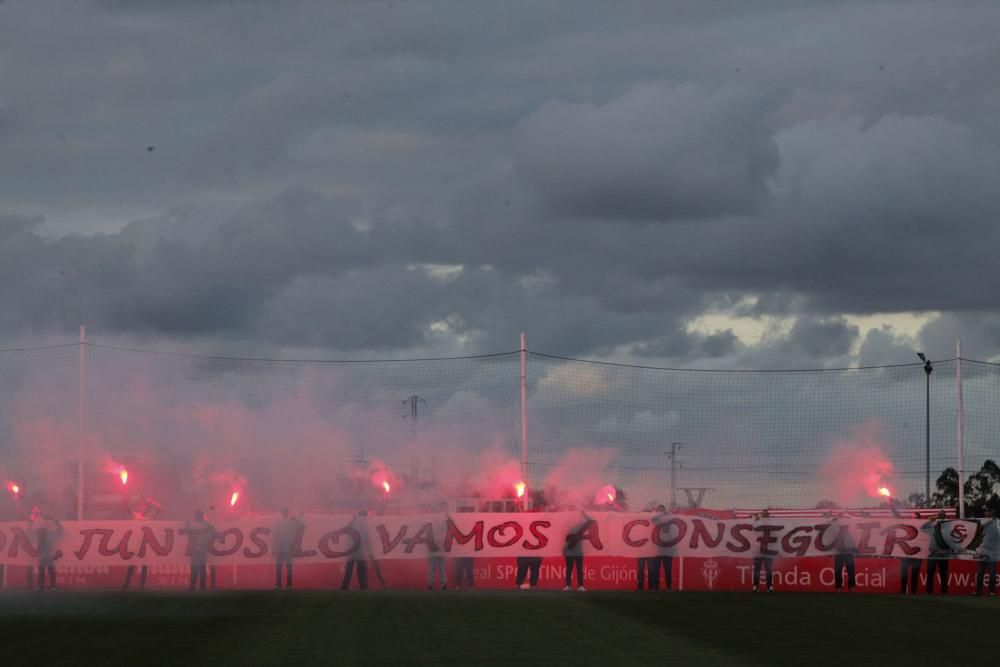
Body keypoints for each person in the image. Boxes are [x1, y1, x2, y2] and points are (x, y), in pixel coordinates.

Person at [122, 496, 161, 591]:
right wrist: (123, 495)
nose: (141, 508)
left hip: (144, 545)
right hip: (135, 544)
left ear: (145, 508)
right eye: (139, 506)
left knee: (144, 565)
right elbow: (126, 506)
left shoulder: (148, 518)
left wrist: (152, 501)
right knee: (131, 564)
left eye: (143, 506)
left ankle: (142, 585)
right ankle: (127, 584)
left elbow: (160, 509)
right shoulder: (135, 515)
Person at [890, 502, 920, 594]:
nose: (912, 518)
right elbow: (898, 517)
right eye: (912, 516)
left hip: (917, 555)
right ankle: (903, 591)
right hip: (905, 554)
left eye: (914, 517)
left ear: (919, 518)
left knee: (915, 575)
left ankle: (914, 592)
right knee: (904, 574)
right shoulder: (908, 524)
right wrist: (892, 506)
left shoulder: (922, 526)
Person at [563, 506, 591, 591]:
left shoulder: (580, 525)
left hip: (578, 551)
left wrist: (583, 514)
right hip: (569, 551)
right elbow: (564, 540)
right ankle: (568, 585)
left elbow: (590, 521)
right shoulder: (566, 523)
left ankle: (580, 586)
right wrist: (564, 550)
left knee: (579, 569)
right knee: (569, 569)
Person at [273, 507, 303, 591]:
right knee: (285, 567)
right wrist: (274, 548)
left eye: (285, 511)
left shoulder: (287, 521)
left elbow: (275, 535)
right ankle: (285, 585)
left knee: (283, 567)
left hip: (286, 548)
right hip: (284, 548)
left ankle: (283, 585)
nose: (284, 513)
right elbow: (275, 535)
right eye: (284, 511)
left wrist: (274, 548)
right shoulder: (283, 522)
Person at [186, 510, 215, 592]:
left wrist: (187, 524)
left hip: (197, 550)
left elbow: (186, 528)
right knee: (201, 568)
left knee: (196, 568)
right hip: (202, 549)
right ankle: (201, 586)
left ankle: (193, 586)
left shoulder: (195, 525)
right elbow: (213, 531)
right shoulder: (206, 525)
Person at [974, 509, 1000, 597]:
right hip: (982, 552)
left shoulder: (996, 523)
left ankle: (992, 591)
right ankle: (978, 591)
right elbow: (976, 527)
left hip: (992, 553)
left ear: (991, 516)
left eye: (988, 516)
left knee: (992, 573)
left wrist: (994, 521)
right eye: (985, 516)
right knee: (980, 572)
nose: (987, 517)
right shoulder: (982, 523)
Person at [340, 511, 369, 591]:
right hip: (354, 550)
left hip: (357, 551)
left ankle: (360, 587)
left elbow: (366, 538)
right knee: (353, 569)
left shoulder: (362, 525)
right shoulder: (355, 523)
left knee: (358, 569)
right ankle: (347, 587)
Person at [648, 505, 674, 592]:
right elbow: (652, 519)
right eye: (659, 510)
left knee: (668, 569)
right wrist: (660, 514)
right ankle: (656, 586)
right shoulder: (657, 520)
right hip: (658, 548)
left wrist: (665, 513)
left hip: (668, 548)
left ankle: (668, 586)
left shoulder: (669, 519)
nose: (661, 512)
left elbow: (672, 517)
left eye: (662, 510)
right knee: (656, 568)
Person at [925, 510, 950, 595]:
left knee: (943, 573)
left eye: (942, 515)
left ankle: (944, 591)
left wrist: (943, 519)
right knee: (930, 571)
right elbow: (927, 521)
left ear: (945, 516)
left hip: (944, 553)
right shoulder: (933, 526)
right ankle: (929, 591)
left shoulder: (947, 526)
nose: (940, 516)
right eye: (939, 515)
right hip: (933, 553)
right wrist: (936, 517)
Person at [35, 514, 62, 592]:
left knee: (50, 571)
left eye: (47, 519)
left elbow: (59, 532)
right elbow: (33, 534)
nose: (45, 521)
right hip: (43, 555)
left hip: (49, 555)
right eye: (44, 519)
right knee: (42, 571)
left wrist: (58, 524)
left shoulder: (50, 532)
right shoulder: (41, 531)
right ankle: (41, 586)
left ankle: (52, 586)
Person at [831, 514, 856, 592]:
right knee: (838, 570)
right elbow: (832, 524)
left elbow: (855, 539)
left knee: (850, 570)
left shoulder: (851, 528)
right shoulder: (836, 528)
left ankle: (851, 587)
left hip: (849, 552)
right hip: (839, 552)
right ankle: (839, 587)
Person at [426, 505, 448, 590]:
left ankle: (442, 584)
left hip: (439, 551)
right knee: (433, 569)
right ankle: (432, 584)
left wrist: (447, 516)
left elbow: (447, 526)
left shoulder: (441, 528)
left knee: (440, 568)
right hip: (433, 551)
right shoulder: (430, 527)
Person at [752, 510, 774, 593]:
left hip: (768, 551)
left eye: (767, 514)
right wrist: (756, 519)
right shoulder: (758, 524)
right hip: (758, 551)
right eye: (764, 514)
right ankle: (755, 586)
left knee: (768, 569)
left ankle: (769, 587)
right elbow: (752, 527)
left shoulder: (772, 525)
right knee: (757, 569)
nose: (765, 516)